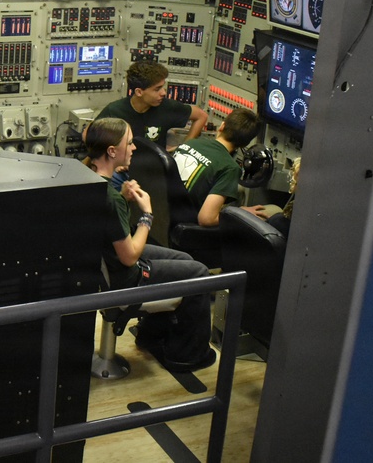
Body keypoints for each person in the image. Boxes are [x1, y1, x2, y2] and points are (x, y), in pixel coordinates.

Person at [86, 117, 216, 373]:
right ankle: (186, 355)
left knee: (186, 261)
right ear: (112, 151)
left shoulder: (92, 183)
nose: (134, 148)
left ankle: (151, 335)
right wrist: (146, 215)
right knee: (200, 274)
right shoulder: (110, 199)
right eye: (129, 143)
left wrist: (124, 198)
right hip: (123, 278)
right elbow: (129, 257)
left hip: (106, 264)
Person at [171, 108, 265, 227]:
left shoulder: (191, 143)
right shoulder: (230, 168)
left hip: (161, 212)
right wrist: (240, 214)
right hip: (182, 225)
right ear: (245, 144)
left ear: (222, 126)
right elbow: (206, 219)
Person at [96, 61, 208, 151]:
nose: (163, 93)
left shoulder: (167, 107)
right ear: (139, 92)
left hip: (154, 171)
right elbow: (88, 136)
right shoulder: (115, 111)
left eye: (163, 87)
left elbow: (201, 116)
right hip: (123, 170)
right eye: (157, 89)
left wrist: (184, 149)